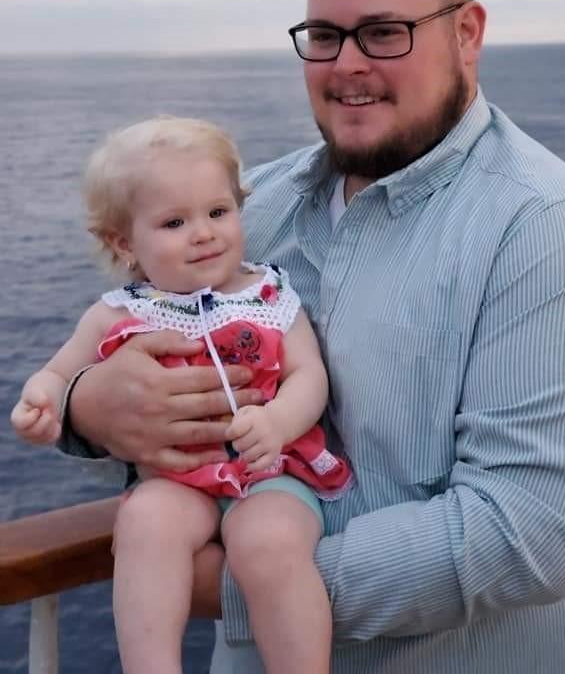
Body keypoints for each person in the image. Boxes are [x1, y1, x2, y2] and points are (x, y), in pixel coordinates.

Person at [59, 0, 565, 673]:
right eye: (325, 35)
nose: (347, 64)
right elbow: (139, 356)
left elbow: (525, 532)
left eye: (383, 33)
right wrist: (90, 407)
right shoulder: (252, 210)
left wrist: (242, 584)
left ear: (467, 33)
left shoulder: (549, 229)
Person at [11, 116, 352, 674]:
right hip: (179, 481)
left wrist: (279, 422)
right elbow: (61, 373)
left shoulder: (270, 294)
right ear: (124, 242)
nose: (204, 232)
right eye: (174, 222)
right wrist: (42, 400)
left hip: (271, 471)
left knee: (268, 542)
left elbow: (307, 375)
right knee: (146, 522)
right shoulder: (121, 312)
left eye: (219, 212)